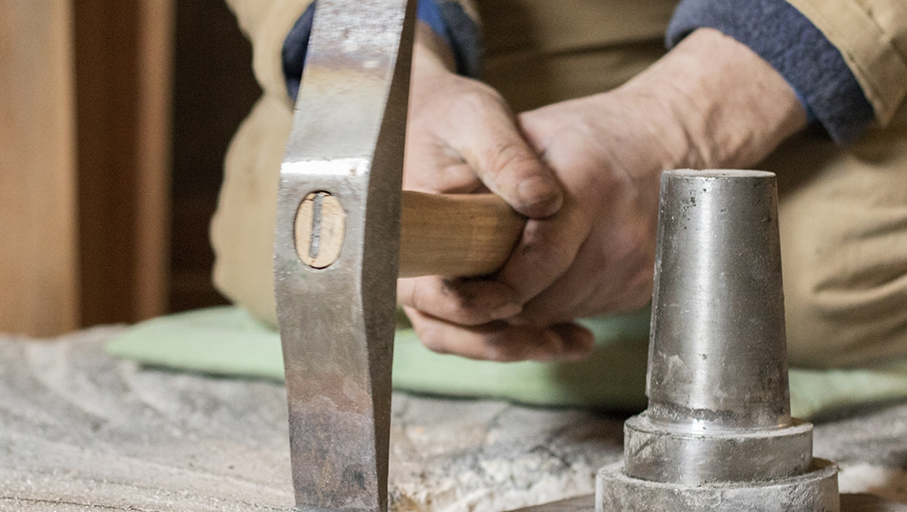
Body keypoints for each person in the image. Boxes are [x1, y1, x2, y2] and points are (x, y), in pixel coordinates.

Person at [212, 0, 907, 369]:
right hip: (455, 48)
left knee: (826, 273)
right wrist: (394, 76)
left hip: (782, 70)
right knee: (265, 240)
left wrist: (677, 122)